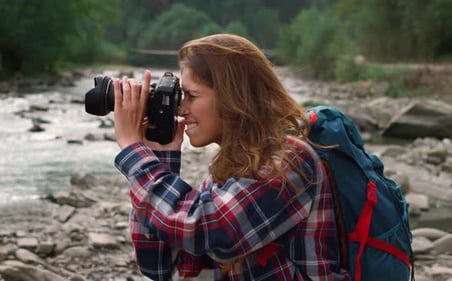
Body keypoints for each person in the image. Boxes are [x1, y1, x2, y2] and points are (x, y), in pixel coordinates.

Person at [113, 33, 351, 281]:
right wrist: (160, 159)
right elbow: (165, 268)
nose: (181, 109)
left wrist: (134, 153)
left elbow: (210, 231)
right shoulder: (229, 170)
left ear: (232, 97)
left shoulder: (288, 159)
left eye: (191, 96)